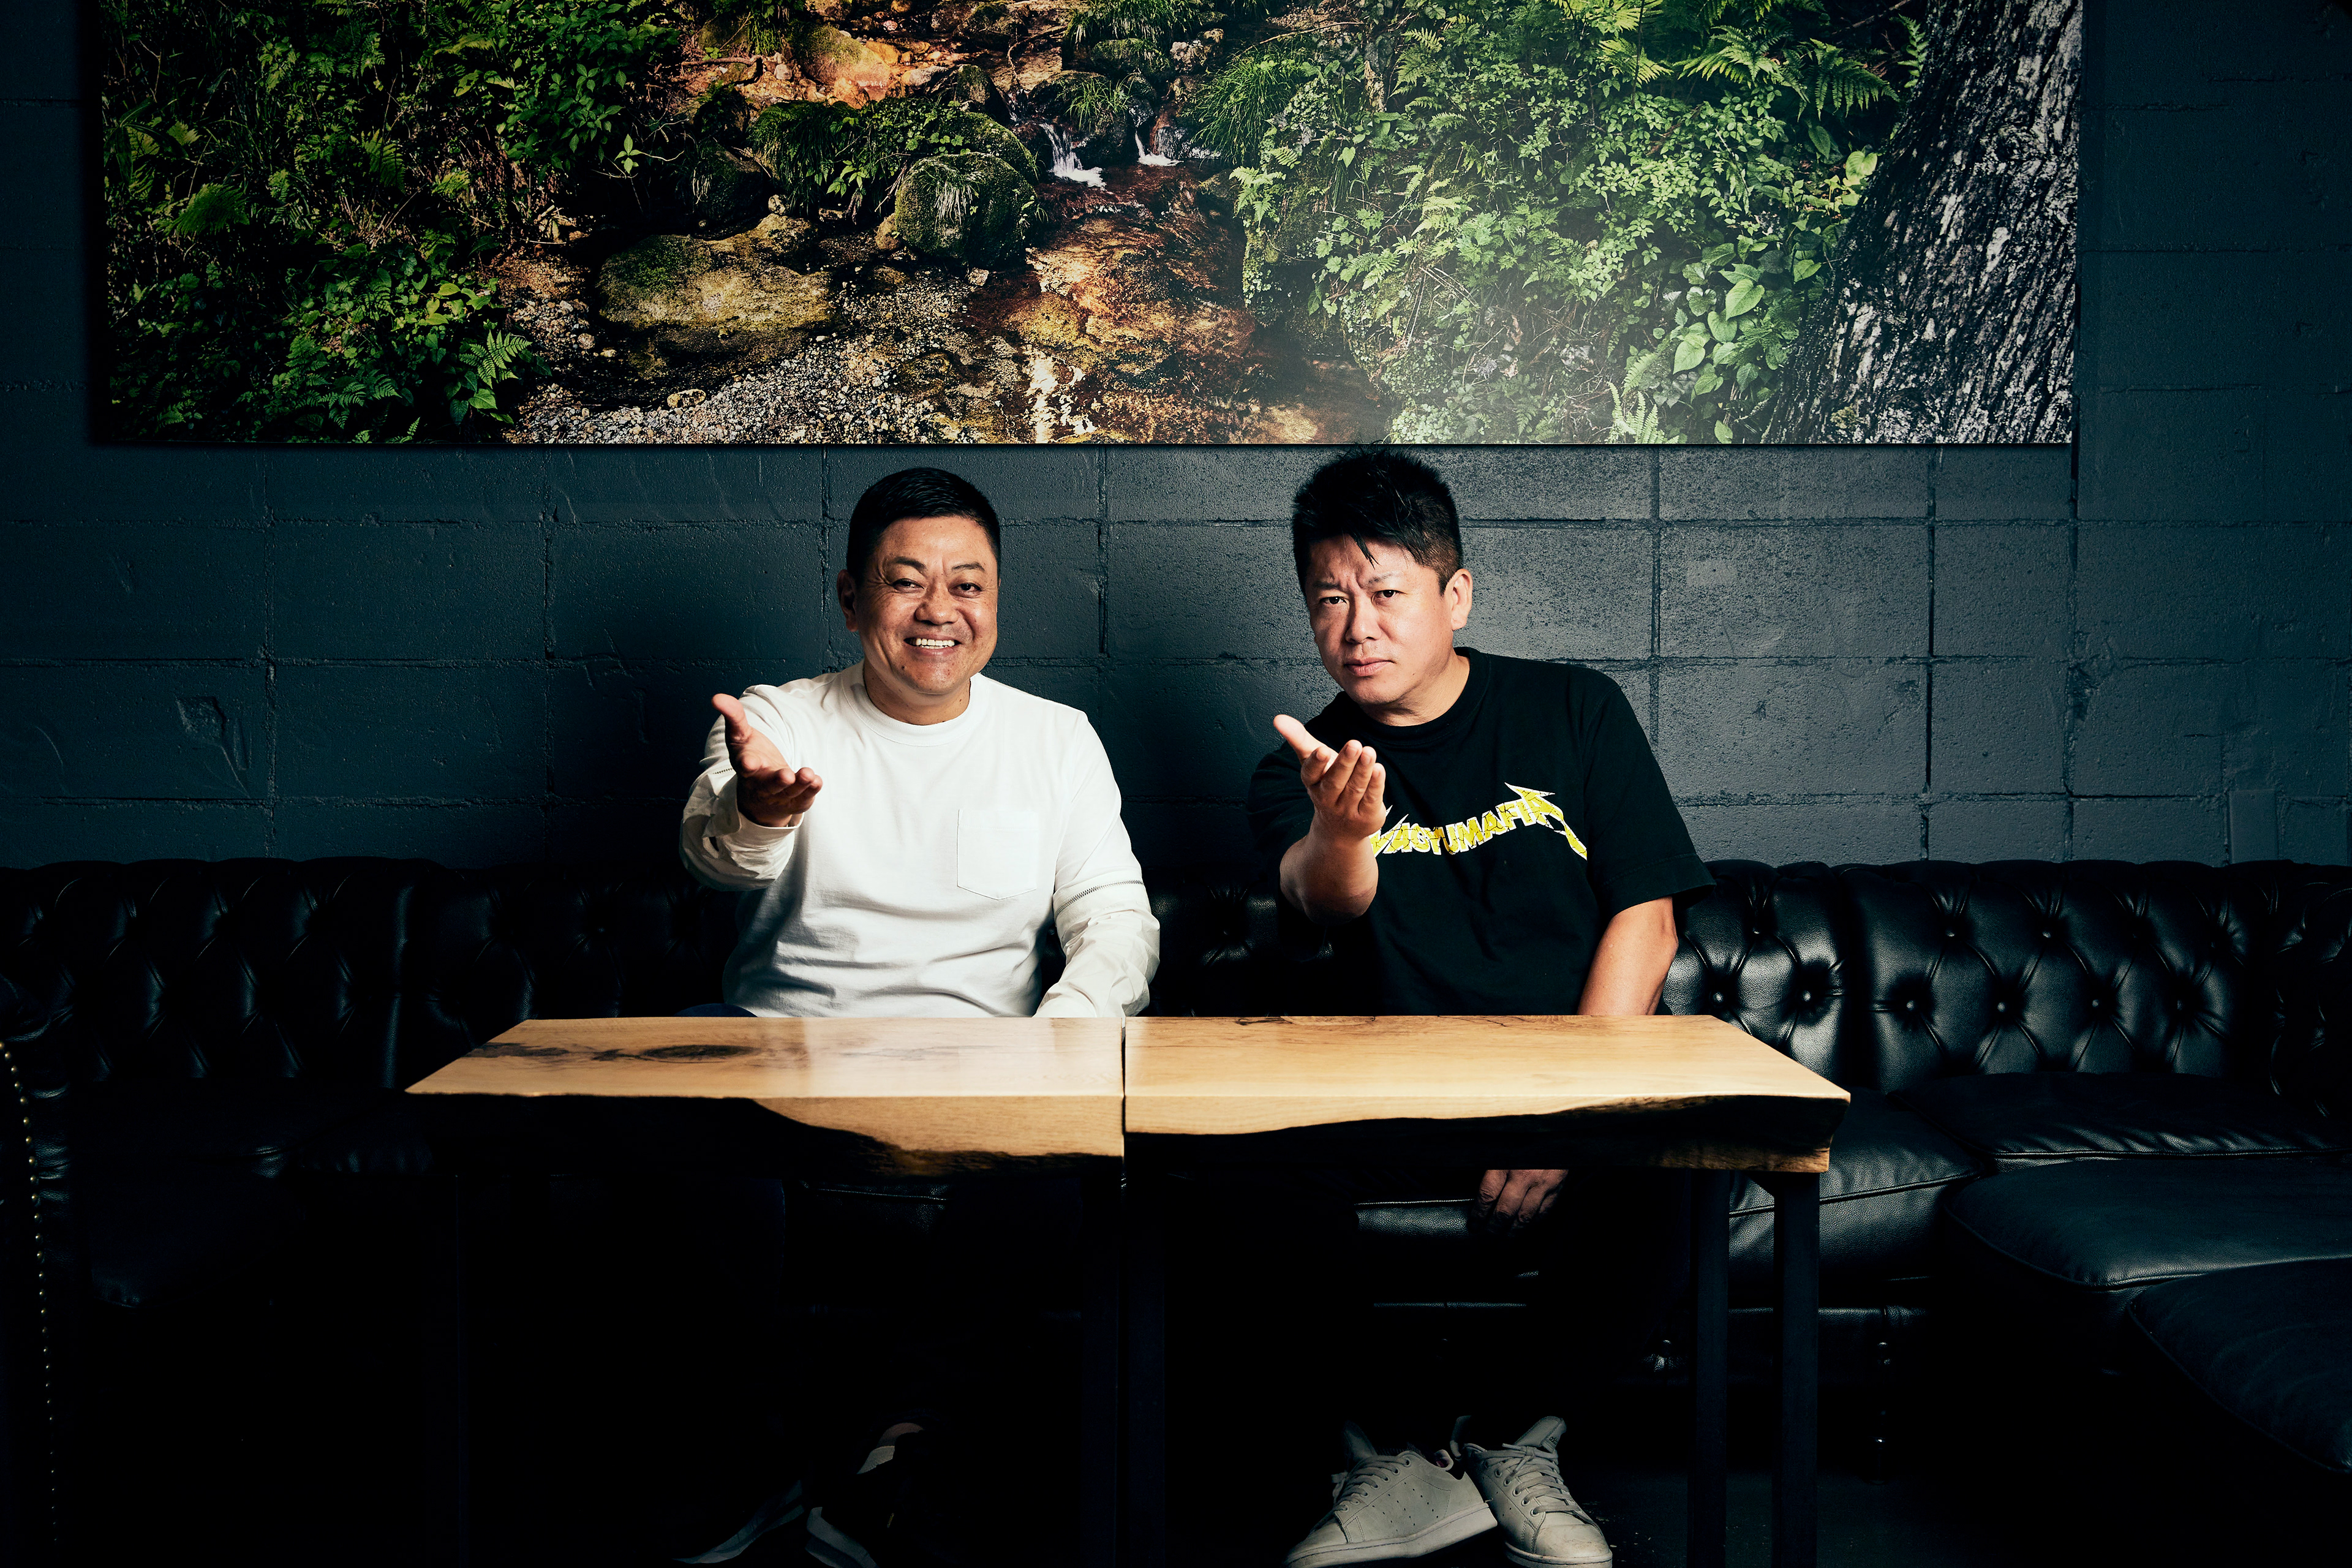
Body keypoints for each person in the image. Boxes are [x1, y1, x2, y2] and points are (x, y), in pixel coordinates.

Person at [1200, 447, 1713, 1568]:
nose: (1357, 628)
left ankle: (1514, 1441)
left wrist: (1567, 1119)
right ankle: (1385, 1459)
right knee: (1225, 1167)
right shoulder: (1300, 767)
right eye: (1328, 600)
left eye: (1385, 593)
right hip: (1382, 1103)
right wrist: (1343, 831)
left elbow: (1649, 920)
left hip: (1560, 1084)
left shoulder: (1575, 708)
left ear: (1455, 594)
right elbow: (1322, 900)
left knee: (1682, 1154)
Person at [666, 465, 1158, 1567]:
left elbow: (1117, 919)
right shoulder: (777, 718)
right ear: (852, 599)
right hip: (785, 1055)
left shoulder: (1056, 740)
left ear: (996, 601)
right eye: (906, 582)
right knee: (684, 1085)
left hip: (985, 1069)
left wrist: (1060, 1043)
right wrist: (761, 808)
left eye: (967, 584)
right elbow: (716, 855)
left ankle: (901, 1456)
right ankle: (752, 1454)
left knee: (1066, 1153)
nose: (940, 610)